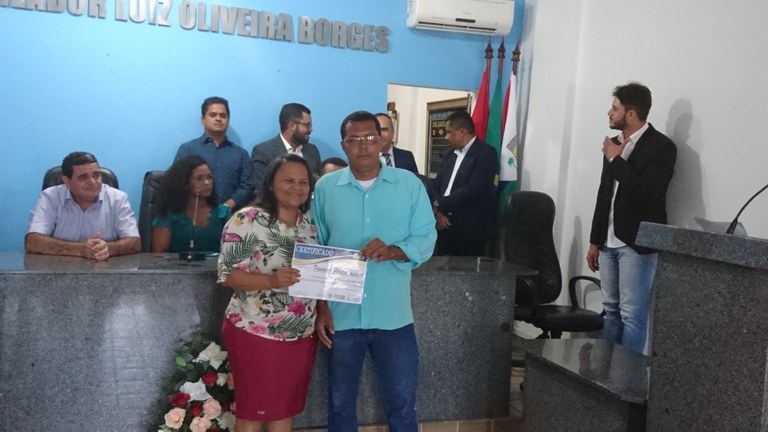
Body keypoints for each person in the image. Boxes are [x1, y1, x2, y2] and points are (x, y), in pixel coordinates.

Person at [313, 111, 436, 432]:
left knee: (402, 404)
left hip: (393, 316)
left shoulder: (409, 185)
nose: (363, 146)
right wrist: (321, 306)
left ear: (382, 141)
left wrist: (393, 250)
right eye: (354, 140)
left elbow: (426, 237)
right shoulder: (326, 188)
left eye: (370, 138)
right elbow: (317, 246)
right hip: (342, 317)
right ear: (343, 145)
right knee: (340, 404)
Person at [218, 154, 319, 432]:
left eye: (303, 182)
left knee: (283, 412)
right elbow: (227, 274)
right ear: (271, 184)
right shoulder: (247, 219)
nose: (296, 187)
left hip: (301, 334)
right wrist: (271, 280)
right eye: (288, 180)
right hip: (255, 330)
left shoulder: (310, 224)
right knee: (252, 413)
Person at [587, 82, 677, 355]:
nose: (609, 112)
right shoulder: (614, 144)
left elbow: (648, 192)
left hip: (636, 242)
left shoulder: (662, 147)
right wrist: (595, 240)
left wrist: (616, 162)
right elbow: (604, 194)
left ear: (631, 113)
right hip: (608, 240)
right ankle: (605, 372)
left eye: (615, 108)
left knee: (632, 315)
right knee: (610, 310)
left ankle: (627, 377)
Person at [25, 151, 140, 260]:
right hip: (59, 268)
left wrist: (108, 248)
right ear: (67, 181)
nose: (93, 182)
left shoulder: (118, 198)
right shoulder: (50, 197)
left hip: (104, 268)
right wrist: (80, 250)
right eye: (83, 177)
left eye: (96, 175)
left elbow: (135, 243)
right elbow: (32, 242)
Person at [432, 110, 498, 256]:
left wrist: (439, 204)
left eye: (449, 132)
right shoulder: (449, 156)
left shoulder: (486, 153)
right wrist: (439, 213)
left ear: (462, 132)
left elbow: (474, 189)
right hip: (444, 226)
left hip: (470, 231)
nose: (445, 137)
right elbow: (436, 185)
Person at [175, 96, 255, 211]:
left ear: (228, 119)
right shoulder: (188, 150)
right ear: (203, 119)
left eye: (223, 115)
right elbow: (177, 183)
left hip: (231, 216)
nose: (218, 119)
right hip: (194, 214)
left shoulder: (241, 154)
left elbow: (247, 186)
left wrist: (228, 206)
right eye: (213, 115)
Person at [152, 156, 231, 253]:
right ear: (185, 183)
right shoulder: (169, 215)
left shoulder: (222, 213)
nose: (207, 183)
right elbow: (159, 254)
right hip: (177, 263)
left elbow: (233, 252)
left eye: (209, 177)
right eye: (199, 178)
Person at [251, 103, 322, 191]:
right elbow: (261, 190)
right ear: (291, 125)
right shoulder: (264, 152)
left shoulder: (312, 151)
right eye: (306, 125)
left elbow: (318, 187)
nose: (310, 130)